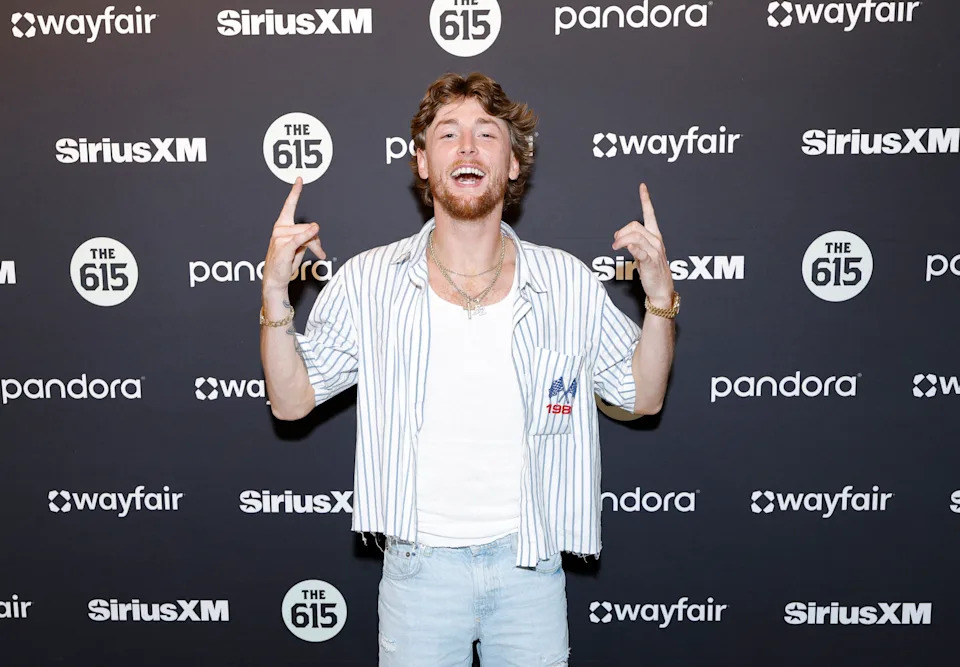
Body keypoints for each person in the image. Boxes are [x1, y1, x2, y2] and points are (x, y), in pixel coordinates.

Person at [260, 72, 678, 667]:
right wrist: (275, 292)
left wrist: (658, 297)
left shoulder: (567, 282)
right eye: (447, 133)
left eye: (486, 134)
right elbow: (291, 401)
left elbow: (643, 396)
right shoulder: (368, 281)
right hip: (417, 575)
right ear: (422, 162)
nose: (467, 148)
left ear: (513, 162)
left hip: (530, 569)